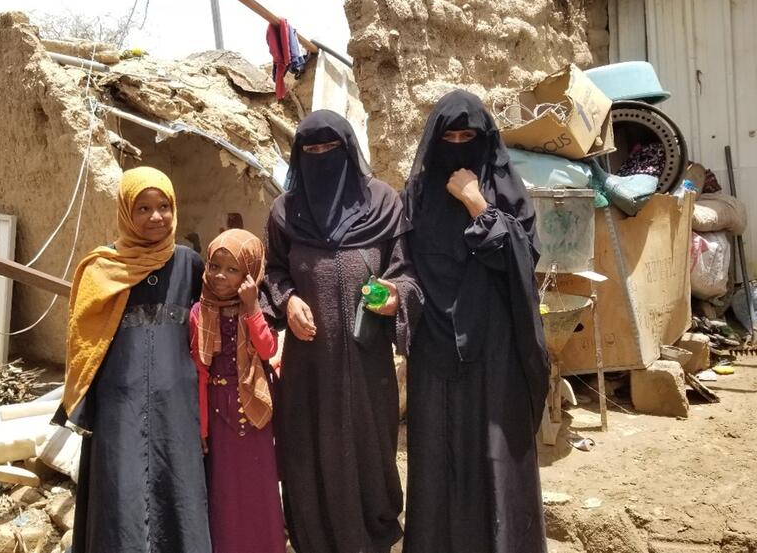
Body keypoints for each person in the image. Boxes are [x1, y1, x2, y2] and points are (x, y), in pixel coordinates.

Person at [262, 109, 422, 553]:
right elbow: (273, 272)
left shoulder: (383, 203)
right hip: (308, 368)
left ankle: (375, 536)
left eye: (329, 148)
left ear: (349, 150)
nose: (320, 157)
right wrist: (289, 300)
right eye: (310, 150)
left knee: (370, 451)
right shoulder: (285, 211)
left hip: (368, 364)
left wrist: (393, 294)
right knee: (311, 452)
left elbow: (406, 271)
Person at [401, 89, 550, 553]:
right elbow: (402, 261)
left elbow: (522, 262)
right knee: (436, 460)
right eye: (451, 137)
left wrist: (477, 206)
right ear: (434, 140)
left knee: (496, 458)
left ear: (485, 141)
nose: (460, 145)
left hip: (494, 347)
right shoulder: (418, 195)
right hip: (434, 349)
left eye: (470, 136)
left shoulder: (505, 191)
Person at [57, 166, 211, 553]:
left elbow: (210, 326)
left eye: (164, 206)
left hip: (177, 402)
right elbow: (83, 343)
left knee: (176, 485)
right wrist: (84, 400)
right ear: (126, 211)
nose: (156, 217)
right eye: (142, 208)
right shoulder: (101, 269)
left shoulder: (190, 264)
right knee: (121, 489)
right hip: (119, 403)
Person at [190, 229, 286, 553]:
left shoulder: (255, 308)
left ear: (251, 273)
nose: (220, 276)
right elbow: (199, 373)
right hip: (218, 415)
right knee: (224, 490)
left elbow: (267, 348)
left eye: (233, 270)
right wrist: (201, 427)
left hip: (254, 407)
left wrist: (251, 307)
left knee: (258, 486)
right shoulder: (199, 312)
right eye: (215, 266)